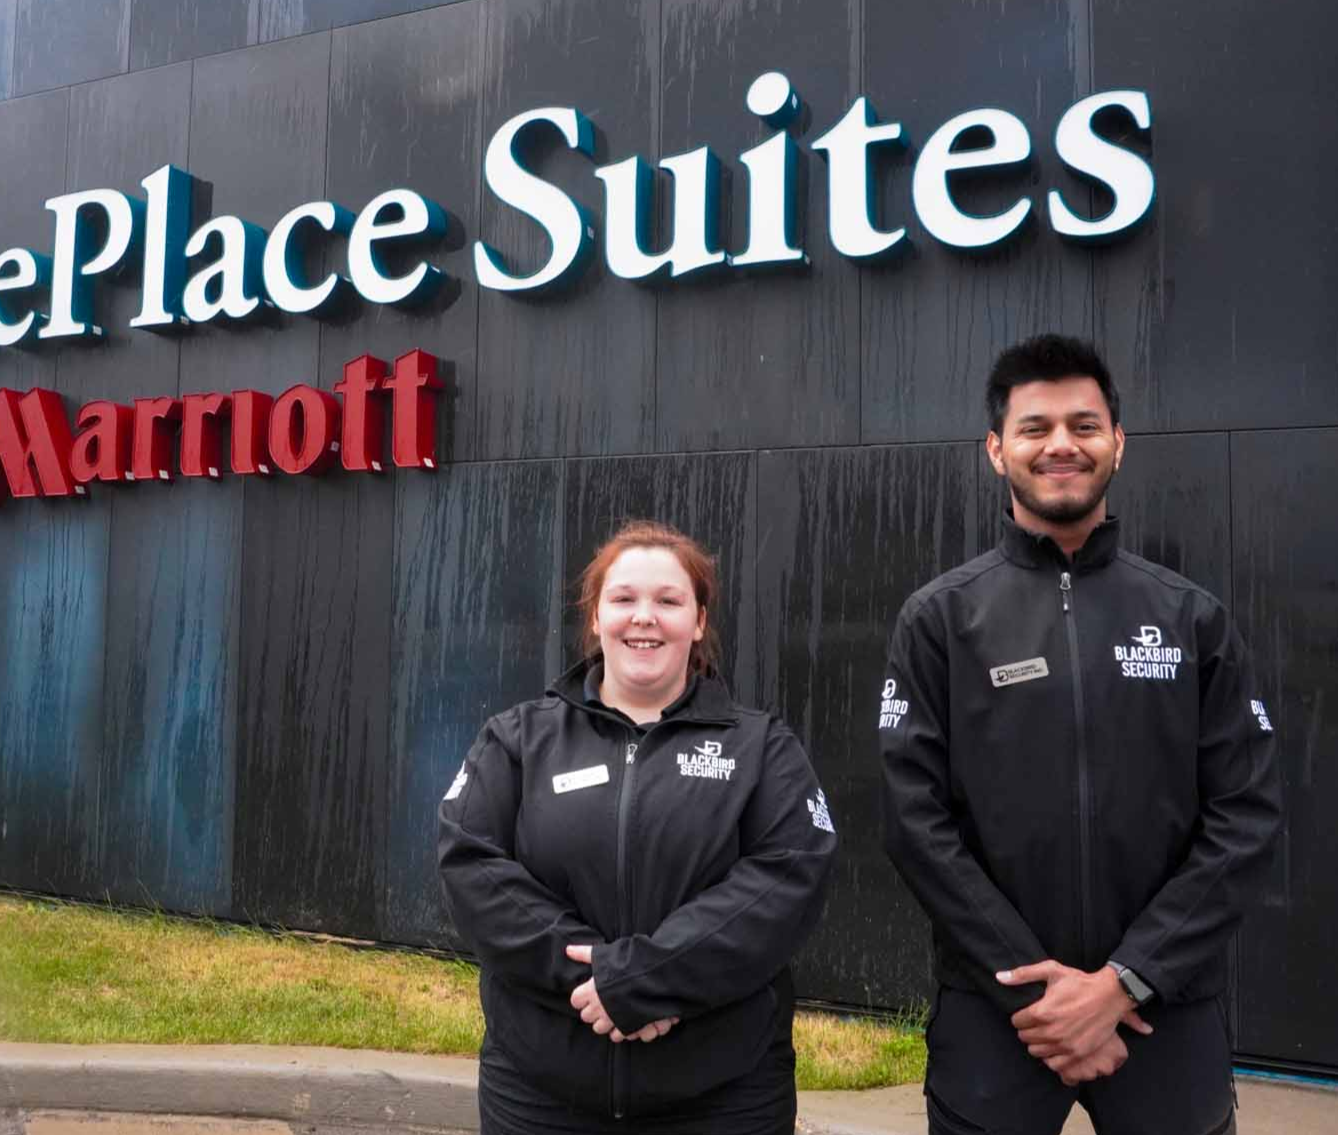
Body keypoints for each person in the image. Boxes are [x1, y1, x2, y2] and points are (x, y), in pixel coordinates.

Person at [879, 334, 1282, 1135]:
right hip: (997, 1012)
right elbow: (913, 823)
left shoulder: (1189, 617)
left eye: (1083, 424)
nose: (1060, 444)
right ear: (995, 449)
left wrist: (1125, 979)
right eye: (1033, 427)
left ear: (1117, 443)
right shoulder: (940, 619)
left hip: (1163, 1013)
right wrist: (1040, 995)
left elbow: (1245, 817)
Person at [437, 520, 836, 1134]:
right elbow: (473, 867)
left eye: (668, 601)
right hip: (542, 1095)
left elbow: (786, 881)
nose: (643, 617)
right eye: (623, 599)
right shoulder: (518, 738)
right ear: (595, 618)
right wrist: (600, 982)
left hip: (723, 1097)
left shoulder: (762, 747)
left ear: (698, 621)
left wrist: (648, 978)